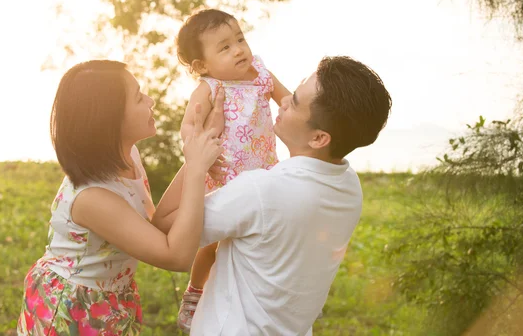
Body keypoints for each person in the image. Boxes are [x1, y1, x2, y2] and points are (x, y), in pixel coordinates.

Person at [153, 56, 392, 335]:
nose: (283, 100)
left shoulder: (262, 191)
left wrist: (200, 152)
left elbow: (164, 224)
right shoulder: (350, 186)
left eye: (296, 102)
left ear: (319, 138)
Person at [17, 60, 224, 335]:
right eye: (139, 97)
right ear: (109, 118)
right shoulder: (93, 197)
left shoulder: (126, 157)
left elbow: (156, 225)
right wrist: (196, 170)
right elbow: (176, 257)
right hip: (75, 308)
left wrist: (194, 152)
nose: (150, 101)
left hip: (110, 297)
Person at [174, 8, 291, 332]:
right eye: (224, 47)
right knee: (213, 244)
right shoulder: (210, 87)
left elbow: (288, 102)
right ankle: (195, 294)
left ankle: (276, 295)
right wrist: (197, 144)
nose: (239, 49)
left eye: (239, 39)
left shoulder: (262, 74)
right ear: (202, 65)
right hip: (226, 177)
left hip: (267, 172)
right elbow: (188, 127)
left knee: (266, 238)